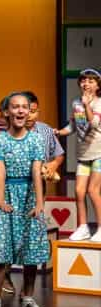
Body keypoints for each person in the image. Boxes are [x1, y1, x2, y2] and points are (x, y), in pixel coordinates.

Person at [0, 92, 49, 307]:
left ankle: (28, 297)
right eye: (15, 107)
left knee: (32, 250)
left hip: (30, 194)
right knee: (1, 250)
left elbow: (36, 172)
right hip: (7, 192)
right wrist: (0, 200)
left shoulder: (35, 140)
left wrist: (40, 202)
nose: (20, 111)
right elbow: (0, 171)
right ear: (7, 112)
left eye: (25, 107)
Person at [0, 90, 66, 295]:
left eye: (32, 111)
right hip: (12, 190)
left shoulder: (45, 131)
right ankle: (6, 276)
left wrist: (54, 165)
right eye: (22, 110)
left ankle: (27, 293)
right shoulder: (7, 135)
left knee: (31, 234)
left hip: (36, 190)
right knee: (10, 234)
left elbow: (59, 154)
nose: (28, 115)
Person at [55, 68, 101, 242]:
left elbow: (94, 123)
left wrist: (87, 104)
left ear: (98, 85)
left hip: (98, 154)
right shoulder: (76, 103)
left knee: (93, 191)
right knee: (79, 191)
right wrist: (59, 132)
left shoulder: (99, 103)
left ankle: (100, 228)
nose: (86, 84)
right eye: (83, 80)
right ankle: (83, 227)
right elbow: (73, 126)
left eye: (91, 81)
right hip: (83, 156)